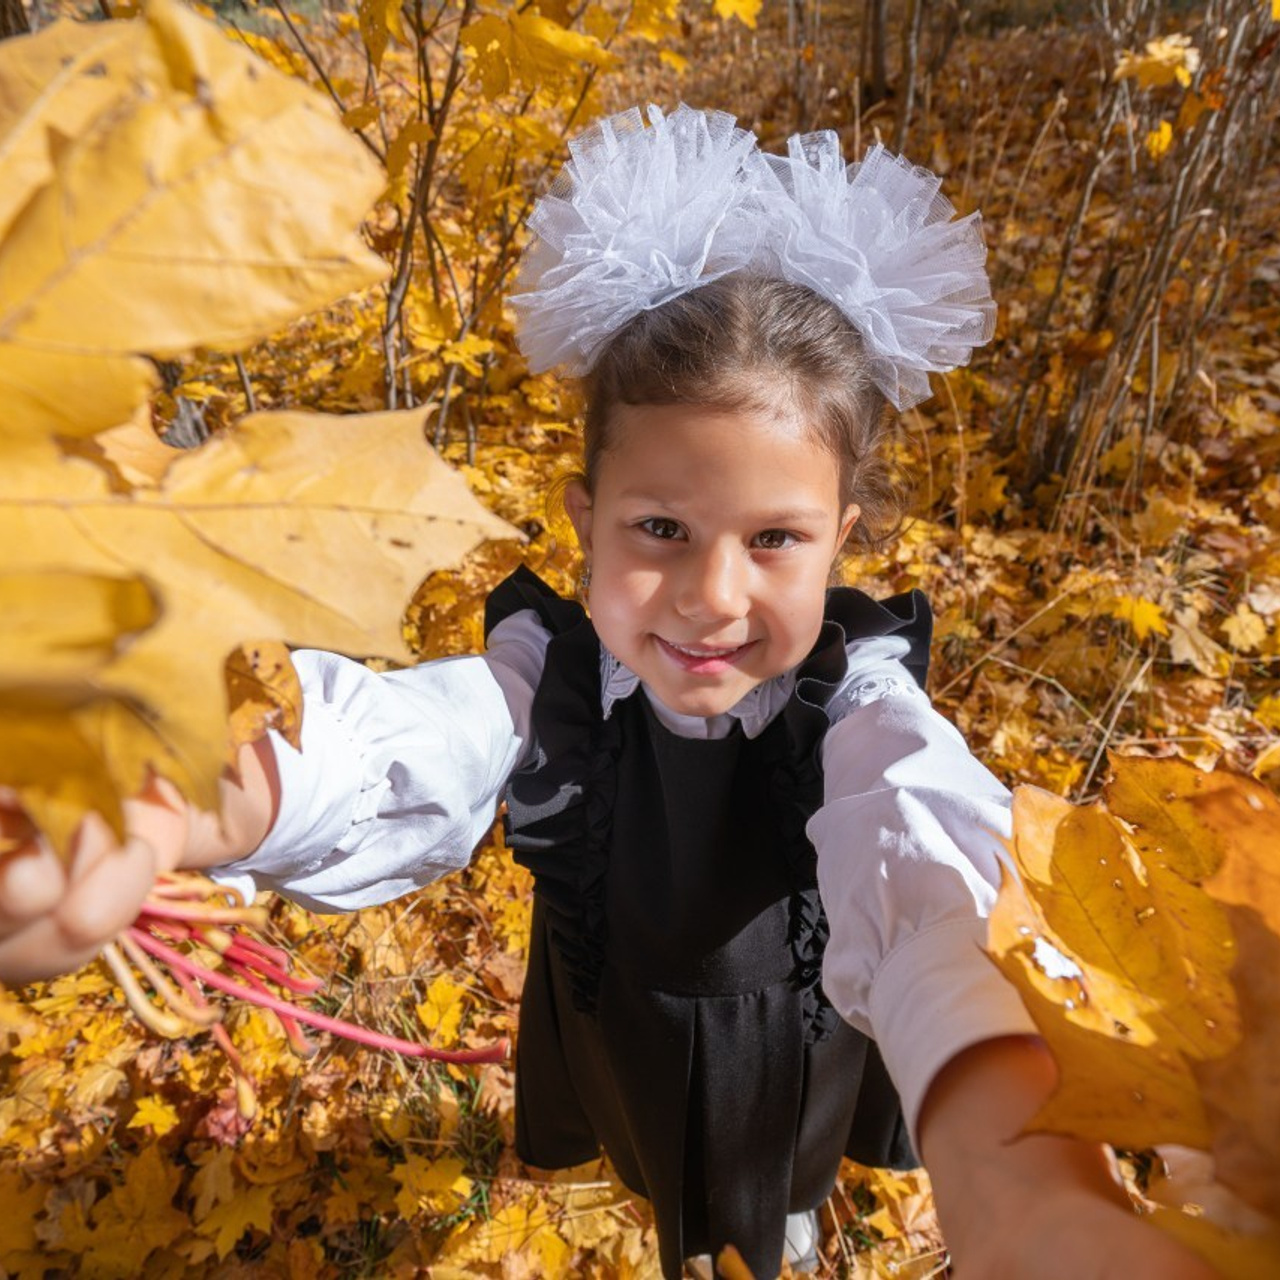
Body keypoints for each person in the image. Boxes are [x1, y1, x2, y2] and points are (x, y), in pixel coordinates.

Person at [0, 106, 1213, 1280]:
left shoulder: (857, 695)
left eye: (776, 537)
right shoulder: (558, 673)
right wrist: (196, 793)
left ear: (841, 537)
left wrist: (1024, 1187)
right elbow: (417, 735)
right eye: (660, 527)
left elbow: (927, 856)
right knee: (657, 1166)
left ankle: (787, 1224)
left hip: (790, 1052)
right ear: (586, 515)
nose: (709, 594)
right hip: (620, 1023)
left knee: (772, 1186)